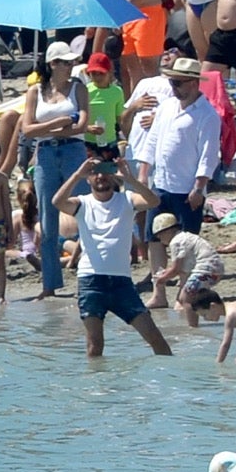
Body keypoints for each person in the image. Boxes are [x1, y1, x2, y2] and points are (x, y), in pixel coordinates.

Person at [57, 147, 170, 360]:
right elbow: (57, 202)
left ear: (113, 175)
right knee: (95, 345)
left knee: (155, 337)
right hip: (91, 281)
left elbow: (154, 201)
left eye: (105, 171)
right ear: (89, 178)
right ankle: (97, 390)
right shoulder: (82, 203)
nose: (100, 176)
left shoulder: (127, 200)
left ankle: (171, 382)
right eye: (95, 172)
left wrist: (129, 178)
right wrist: (76, 175)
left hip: (122, 283)